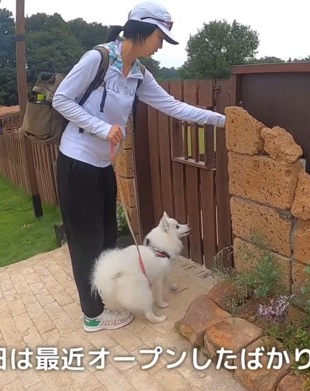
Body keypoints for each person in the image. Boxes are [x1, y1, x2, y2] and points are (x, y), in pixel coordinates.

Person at [52, 1, 225, 332]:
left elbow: (173, 107)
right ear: (143, 31)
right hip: (77, 164)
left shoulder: (139, 74)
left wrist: (223, 120)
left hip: (103, 166)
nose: (160, 46)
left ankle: (103, 301)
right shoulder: (98, 59)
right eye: (160, 38)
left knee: (104, 239)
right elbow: (62, 99)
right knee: (86, 241)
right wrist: (103, 129)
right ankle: (92, 315)